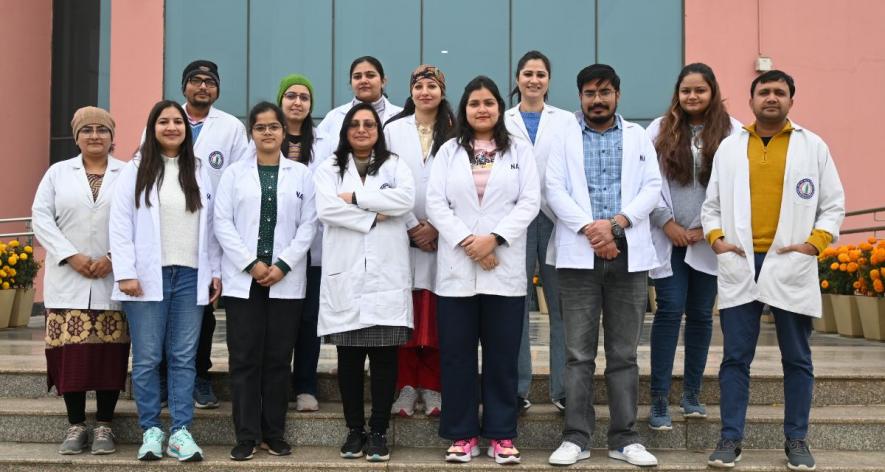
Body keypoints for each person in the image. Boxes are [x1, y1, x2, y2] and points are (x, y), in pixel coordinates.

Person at [703, 70, 845, 470]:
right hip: (742, 261)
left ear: (791, 101)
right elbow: (711, 204)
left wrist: (813, 244)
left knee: (797, 357)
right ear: (750, 100)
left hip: (790, 260)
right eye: (763, 91)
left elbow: (833, 203)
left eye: (779, 92)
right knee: (735, 357)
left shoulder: (812, 146)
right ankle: (730, 439)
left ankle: (797, 439)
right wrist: (716, 239)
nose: (771, 98)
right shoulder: (731, 147)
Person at [545, 64, 661, 467]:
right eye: (590, 93)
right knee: (577, 353)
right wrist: (591, 231)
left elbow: (652, 187)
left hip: (628, 255)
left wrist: (615, 226)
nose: (598, 99)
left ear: (618, 95)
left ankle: (624, 437)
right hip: (578, 256)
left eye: (605, 92)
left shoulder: (638, 136)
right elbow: (553, 189)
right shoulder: (562, 135)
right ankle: (575, 437)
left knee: (624, 353)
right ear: (579, 96)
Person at [426, 76, 540, 465]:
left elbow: (529, 202)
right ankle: (461, 435)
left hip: (502, 267)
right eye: (474, 103)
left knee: (501, 356)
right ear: (464, 109)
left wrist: (494, 239)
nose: (482, 109)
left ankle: (502, 435)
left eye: (489, 102)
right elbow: (435, 204)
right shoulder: (447, 152)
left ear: (498, 108)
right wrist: (470, 243)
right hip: (458, 270)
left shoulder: (519, 151)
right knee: (457, 355)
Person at [109, 100, 221, 462]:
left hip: (190, 275)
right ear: (152, 127)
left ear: (186, 130)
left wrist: (214, 271)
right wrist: (125, 272)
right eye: (164, 121)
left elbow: (212, 227)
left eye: (178, 121)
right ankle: (151, 430)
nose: (172, 127)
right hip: (146, 277)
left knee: (184, 357)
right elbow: (120, 222)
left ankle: (181, 432)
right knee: (146, 358)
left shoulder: (200, 169)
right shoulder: (136, 169)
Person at [141, 60, 249, 410]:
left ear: (217, 89)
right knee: (160, 310)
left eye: (209, 82)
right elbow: (144, 167)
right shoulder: (165, 120)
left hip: (211, 229)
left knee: (201, 311)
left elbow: (238, 177)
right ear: (184, 86)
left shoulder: (231, 127)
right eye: (195, 81)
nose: (203, 87)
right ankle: (159, 379)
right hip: (167, 227)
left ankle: (200, 377)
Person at [214, 102, 317, 461]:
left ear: (283, 132)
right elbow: (222, 223)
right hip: (245, 281)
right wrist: (252, 264)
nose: (269, 133)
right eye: (261, 127)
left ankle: (273, 433)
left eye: (274, 126)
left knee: (277, 359)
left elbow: (309, 225)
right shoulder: (232, 174)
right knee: (244, 359)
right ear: (251, 133)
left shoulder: (302, 174)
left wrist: (283, 264)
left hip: (285, 280)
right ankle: (246, 435)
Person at [313, 102, 415, 462]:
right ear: (345, 131)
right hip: (347, 273)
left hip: (386, 273)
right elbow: (326, 209)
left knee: (386, 360)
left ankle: (380, 431)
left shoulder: (395, 164)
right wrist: (375, 216)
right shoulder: (328, 167)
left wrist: (356, 199)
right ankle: (354, 430)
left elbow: (405, 199)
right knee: (350, 360)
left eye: (368, 124)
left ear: (378, 129)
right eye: (354, 124)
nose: (361, 129)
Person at [645, 63, 742, 431]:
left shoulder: (733, 132)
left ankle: (691, 395)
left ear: (712, 92)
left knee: (701, 314)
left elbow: (737, 188)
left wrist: (710, 228)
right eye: (686, 90)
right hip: (668, 236)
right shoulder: (659, 129)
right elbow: (646, 182)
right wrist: (666, 223)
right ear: (678, 93)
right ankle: (658, 399)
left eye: (700, 90)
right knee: (669, 310)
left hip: (708, 239)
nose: (693, 96)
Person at [32, 106, 130, 456]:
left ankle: (104, 424)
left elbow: (138, 219)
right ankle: (76, 425)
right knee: (69, 355)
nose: (94, 136)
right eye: (86, 130)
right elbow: (41, 218)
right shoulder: (58, 173)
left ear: (111, 136)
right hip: (67, 279)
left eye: (101, 130)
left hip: (112, 277)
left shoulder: (127, 173)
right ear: (76, 137)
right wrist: (71, 256)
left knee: (109, 354)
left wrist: (113, 259)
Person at [504, 50, 572, 414]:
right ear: (517, 79)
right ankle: (518, 388)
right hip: (515, 220)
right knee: (517, 306)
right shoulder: (502, 120)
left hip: (555, 218)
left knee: (560, 307)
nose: (533, 80)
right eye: (527, 73)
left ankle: (562, 390)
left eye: (540, 74)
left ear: (549, 80)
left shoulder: (565, 121)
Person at [384, 64, 455, 418]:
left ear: (442, 92)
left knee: (439, 316)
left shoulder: (458, 132)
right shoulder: (393, 130)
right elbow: (386, 181)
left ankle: (433, 385)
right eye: (419, 86)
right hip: (401, 236)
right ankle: (407, 387)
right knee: (405, 314)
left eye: (432, 86)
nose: (425, 91)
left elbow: (461, 186)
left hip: (445, 241)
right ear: (410, 91)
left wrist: (438, 228)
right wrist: (414, 225)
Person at [276, 73, 334, 412]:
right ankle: (278, 383)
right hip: (276, 249)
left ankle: (306, 386)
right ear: (281, 100)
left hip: (314, 250)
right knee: (280, 321)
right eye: (291, 96)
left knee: (310, 320)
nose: (297, 102)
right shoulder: (266, 136)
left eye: (304, 97)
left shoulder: (324, 141)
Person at [317, 56, 403, 150]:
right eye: (357, 77)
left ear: (383, 81)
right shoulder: (333, 117)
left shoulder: (401, 116)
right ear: (351, 83)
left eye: (370, 75)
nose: (363, 81)